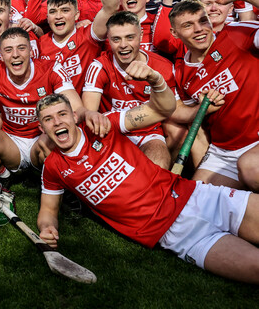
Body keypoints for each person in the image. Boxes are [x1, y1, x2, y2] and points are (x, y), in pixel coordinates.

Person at [34, 88, 259, 284]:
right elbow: (48, 211)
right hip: (179, 235)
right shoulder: (53, 168)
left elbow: (162, 108)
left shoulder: (104, 125)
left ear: (74, 116)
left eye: (62, 114)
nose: (57, 122)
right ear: (42, 128)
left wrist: (154, 80)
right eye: (48, 119)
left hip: (199, 197)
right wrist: (47, 228)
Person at [0, 27, 108, 183]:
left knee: (56, 133)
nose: (15, 54)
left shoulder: (51, 68)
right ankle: (5, 177)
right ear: (1, 55)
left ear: (31, 51)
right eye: (8, 50)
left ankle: (63, 187)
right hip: (12, 142)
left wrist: (88, 113)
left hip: (42, 139)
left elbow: (76, 108)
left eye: (21, 48)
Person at [169, 0, 259, 191]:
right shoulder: (180, 72)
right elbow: (196, 126)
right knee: (197, 201)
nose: (199, 29)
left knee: (252, 170)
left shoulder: (235, 34)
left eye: (203, 21)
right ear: (174, 33)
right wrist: (201, 109)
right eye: (188, 25)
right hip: (223, 153)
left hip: (255, 142)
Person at [82, 11, 177, 169]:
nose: (123, 45)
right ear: (108, 40)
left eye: (130, 37)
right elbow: (89, 113)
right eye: (116, 39)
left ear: (141, 36)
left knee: (158, 162)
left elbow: (172, 109)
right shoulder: (99, 66)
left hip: (148, 133)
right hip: (111, 131)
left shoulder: (163, 66)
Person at [37, 0, 119, 92]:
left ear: (77, 15)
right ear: (47, 16)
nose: (58, 16)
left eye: (65, 10)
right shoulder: (39, 45)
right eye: (53, 12)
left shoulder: (87, 36)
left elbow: (111, 7)